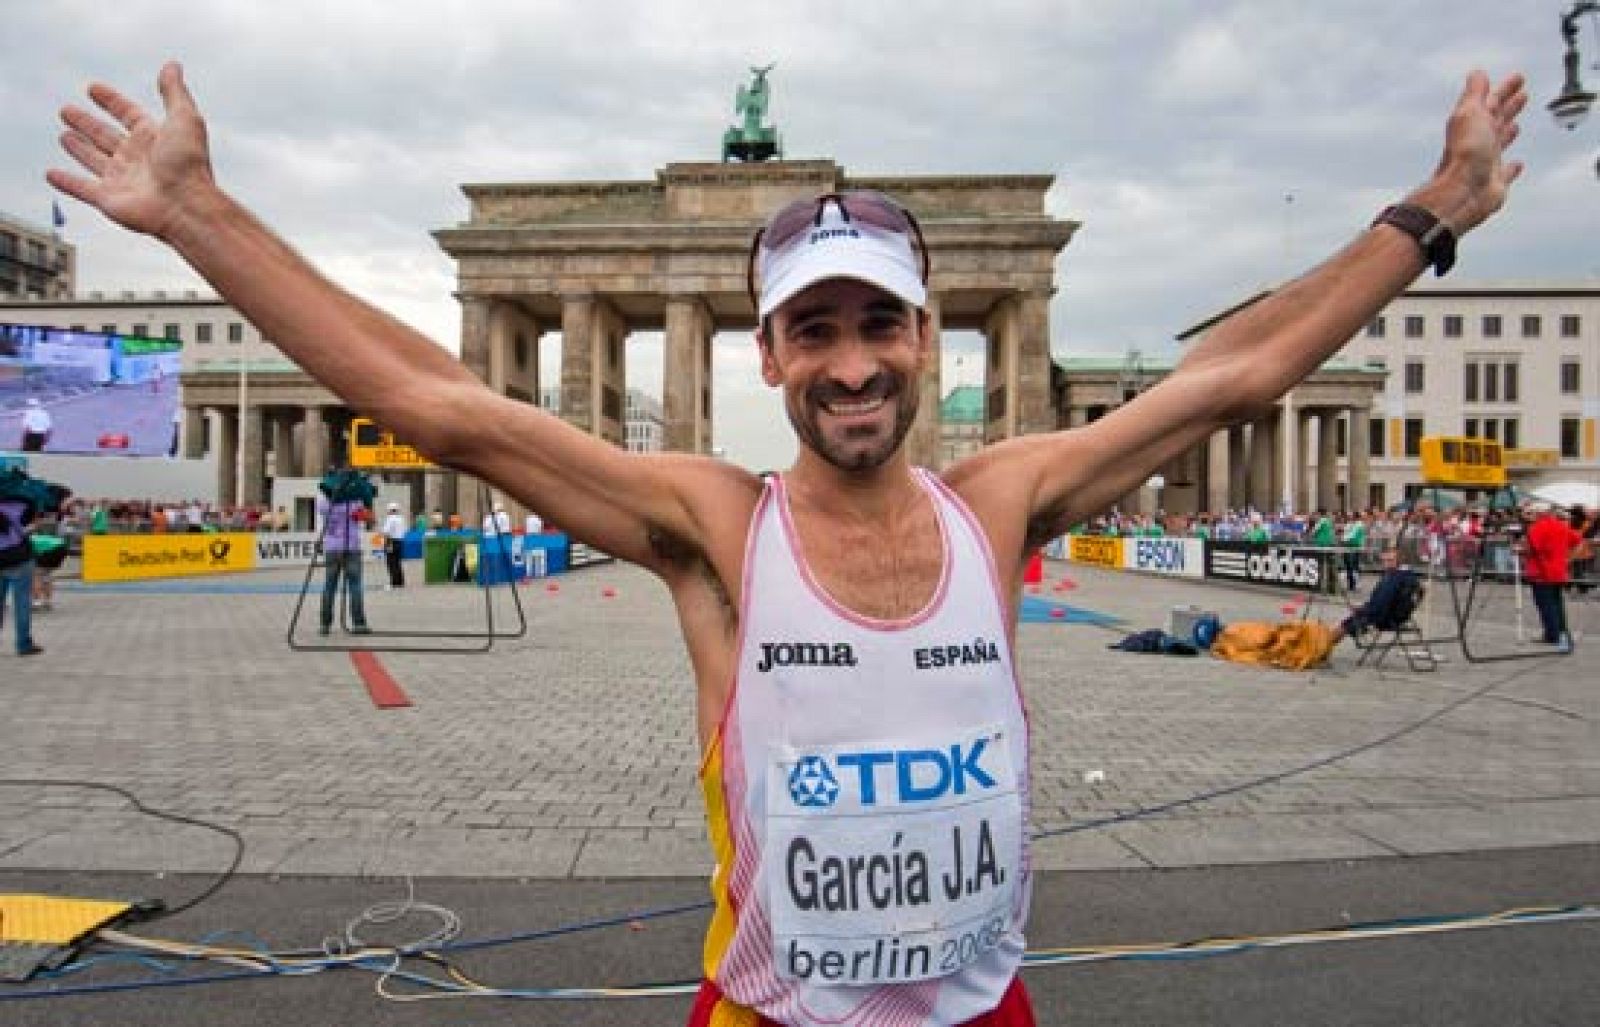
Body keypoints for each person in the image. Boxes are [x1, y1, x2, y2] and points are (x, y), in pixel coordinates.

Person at [48, 61, 1526, 1026]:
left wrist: (1432, 212)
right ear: (768, 356)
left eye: (879, 321)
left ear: (926, 334)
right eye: (814, 328)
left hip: (984, 1007)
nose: (854, 362)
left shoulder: (999, 501)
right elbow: (442, 406)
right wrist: (198, 215)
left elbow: (1240, 374)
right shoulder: (712, 529)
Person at [1522, 501, 1581, 651]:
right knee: (1557, 605)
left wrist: (1518, 550)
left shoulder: (1537, 528)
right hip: (1558, 571)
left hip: (1541, 572)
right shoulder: (1561, 525)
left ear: (1539, 513)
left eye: (1532, 513)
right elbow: (1578, 541)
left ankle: (1552, 634)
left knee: (1545, 605)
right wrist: (1569, 558)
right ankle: (1561, 633)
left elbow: (1531, 550)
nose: (1530, 516)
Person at [315, 488, 371, 635]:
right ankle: (359, 623)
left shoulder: (325, 503)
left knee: (329, 586)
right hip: (351, 547)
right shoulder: (353, 502)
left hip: (332, 548)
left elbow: (323, 512)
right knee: (355, 586)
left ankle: (325, 625)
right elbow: (366, 517)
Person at [0, 487, 44, 656]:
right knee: (22, 602)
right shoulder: (18, 505)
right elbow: (27, 527)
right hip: (19, 558)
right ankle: (23, 644)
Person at [381, 500, 407, 589]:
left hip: (390, 541)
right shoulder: (401, 519)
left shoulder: (390, 519)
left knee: (391, 562)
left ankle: (394, 582)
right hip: (400, 541)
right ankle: (400, 581)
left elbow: (386, 531)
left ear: (390, 510)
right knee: (397, 562)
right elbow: (404, 531)